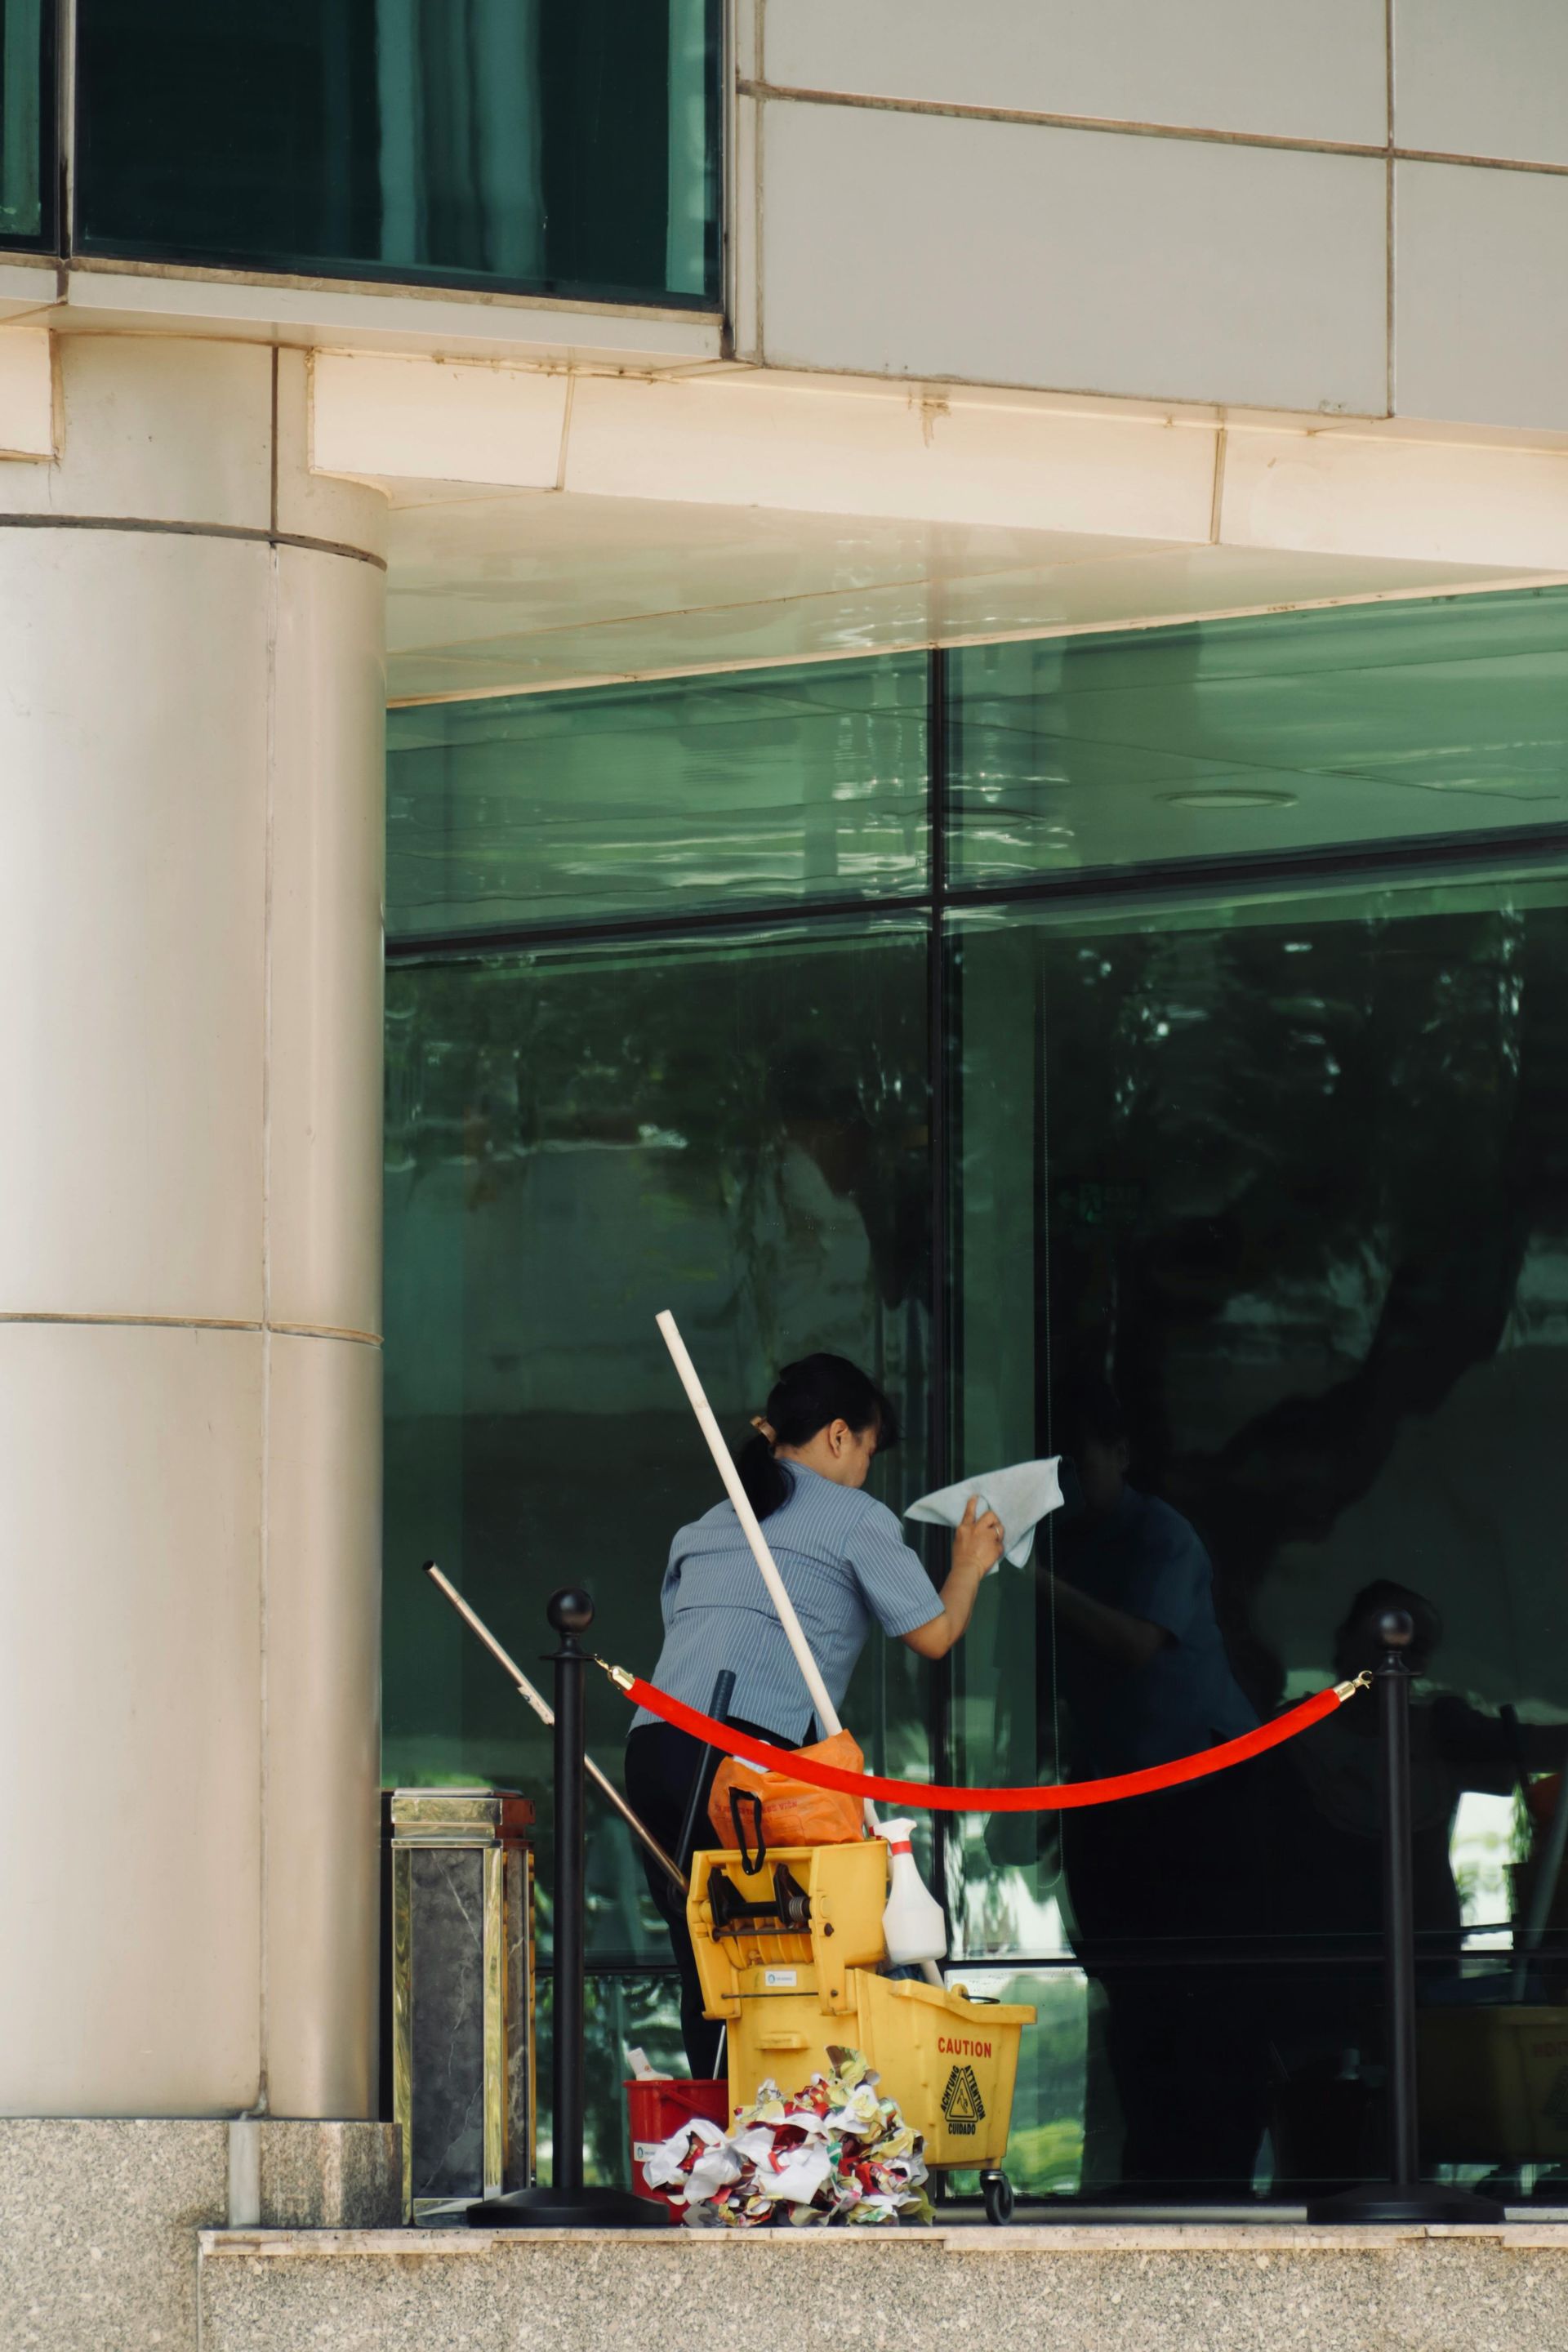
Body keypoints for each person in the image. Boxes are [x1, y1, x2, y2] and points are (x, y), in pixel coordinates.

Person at [624, 1351, 1004, 2074]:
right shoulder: (856, 1517)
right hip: (742, 1757)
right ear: (837, 1435)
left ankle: (722, 2149)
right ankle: (787, 2137)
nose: (866, 1468)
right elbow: (933, 1635)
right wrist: (968, 1565)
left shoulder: (710, 1521)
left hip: (655, 1751)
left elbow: (684, 1629)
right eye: (866, 1448)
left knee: (706, 1961)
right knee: (788, 1957)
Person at [1045, 1379, 1268, 2195]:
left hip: (1200, 1791)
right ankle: (1151, 2166)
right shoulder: (1068, 1542)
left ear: (1120, 1455)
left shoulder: (1160, 1537)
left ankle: (1215, 2173)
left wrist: (1031, 1581)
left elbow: (1137, 1642)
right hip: (1115, 1797)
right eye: (1053, 1468)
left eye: (1078, 1462)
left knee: (1206, 1993)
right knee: (1127, 1988)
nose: (1067, 1483)